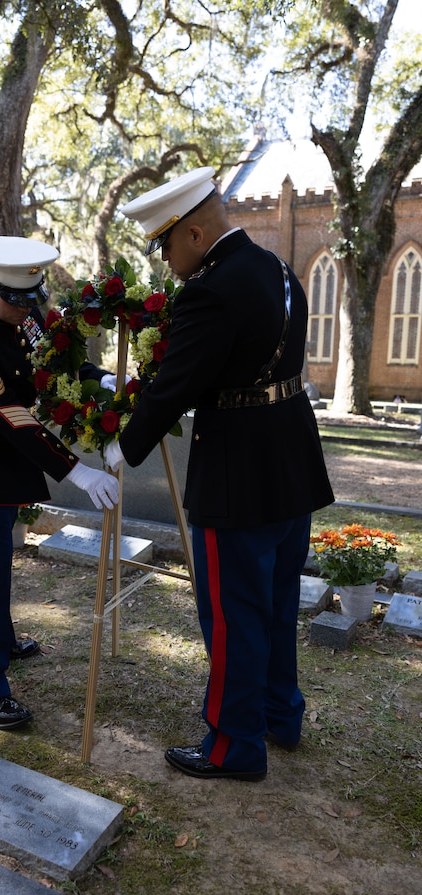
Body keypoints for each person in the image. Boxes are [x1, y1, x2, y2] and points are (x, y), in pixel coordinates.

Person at [105, 167, 334, 780]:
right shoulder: (279, 270)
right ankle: (280, 715)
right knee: (278, 603)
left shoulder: (211, 289)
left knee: (234, 615)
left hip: (238, 475)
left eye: (168, 243)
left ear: (197, 232)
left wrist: (123, 449)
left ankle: (234, 744)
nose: (167, 258)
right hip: (290, 468)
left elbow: (176, 385)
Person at [0, 236, 119, 730]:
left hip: (4, 461)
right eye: (12, 298)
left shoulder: (25, 312)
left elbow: (56, 363)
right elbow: (11, 416)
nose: (23, 310)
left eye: (30, 298)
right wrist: (76, 470)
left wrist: (100, 379)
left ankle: (2, 640)